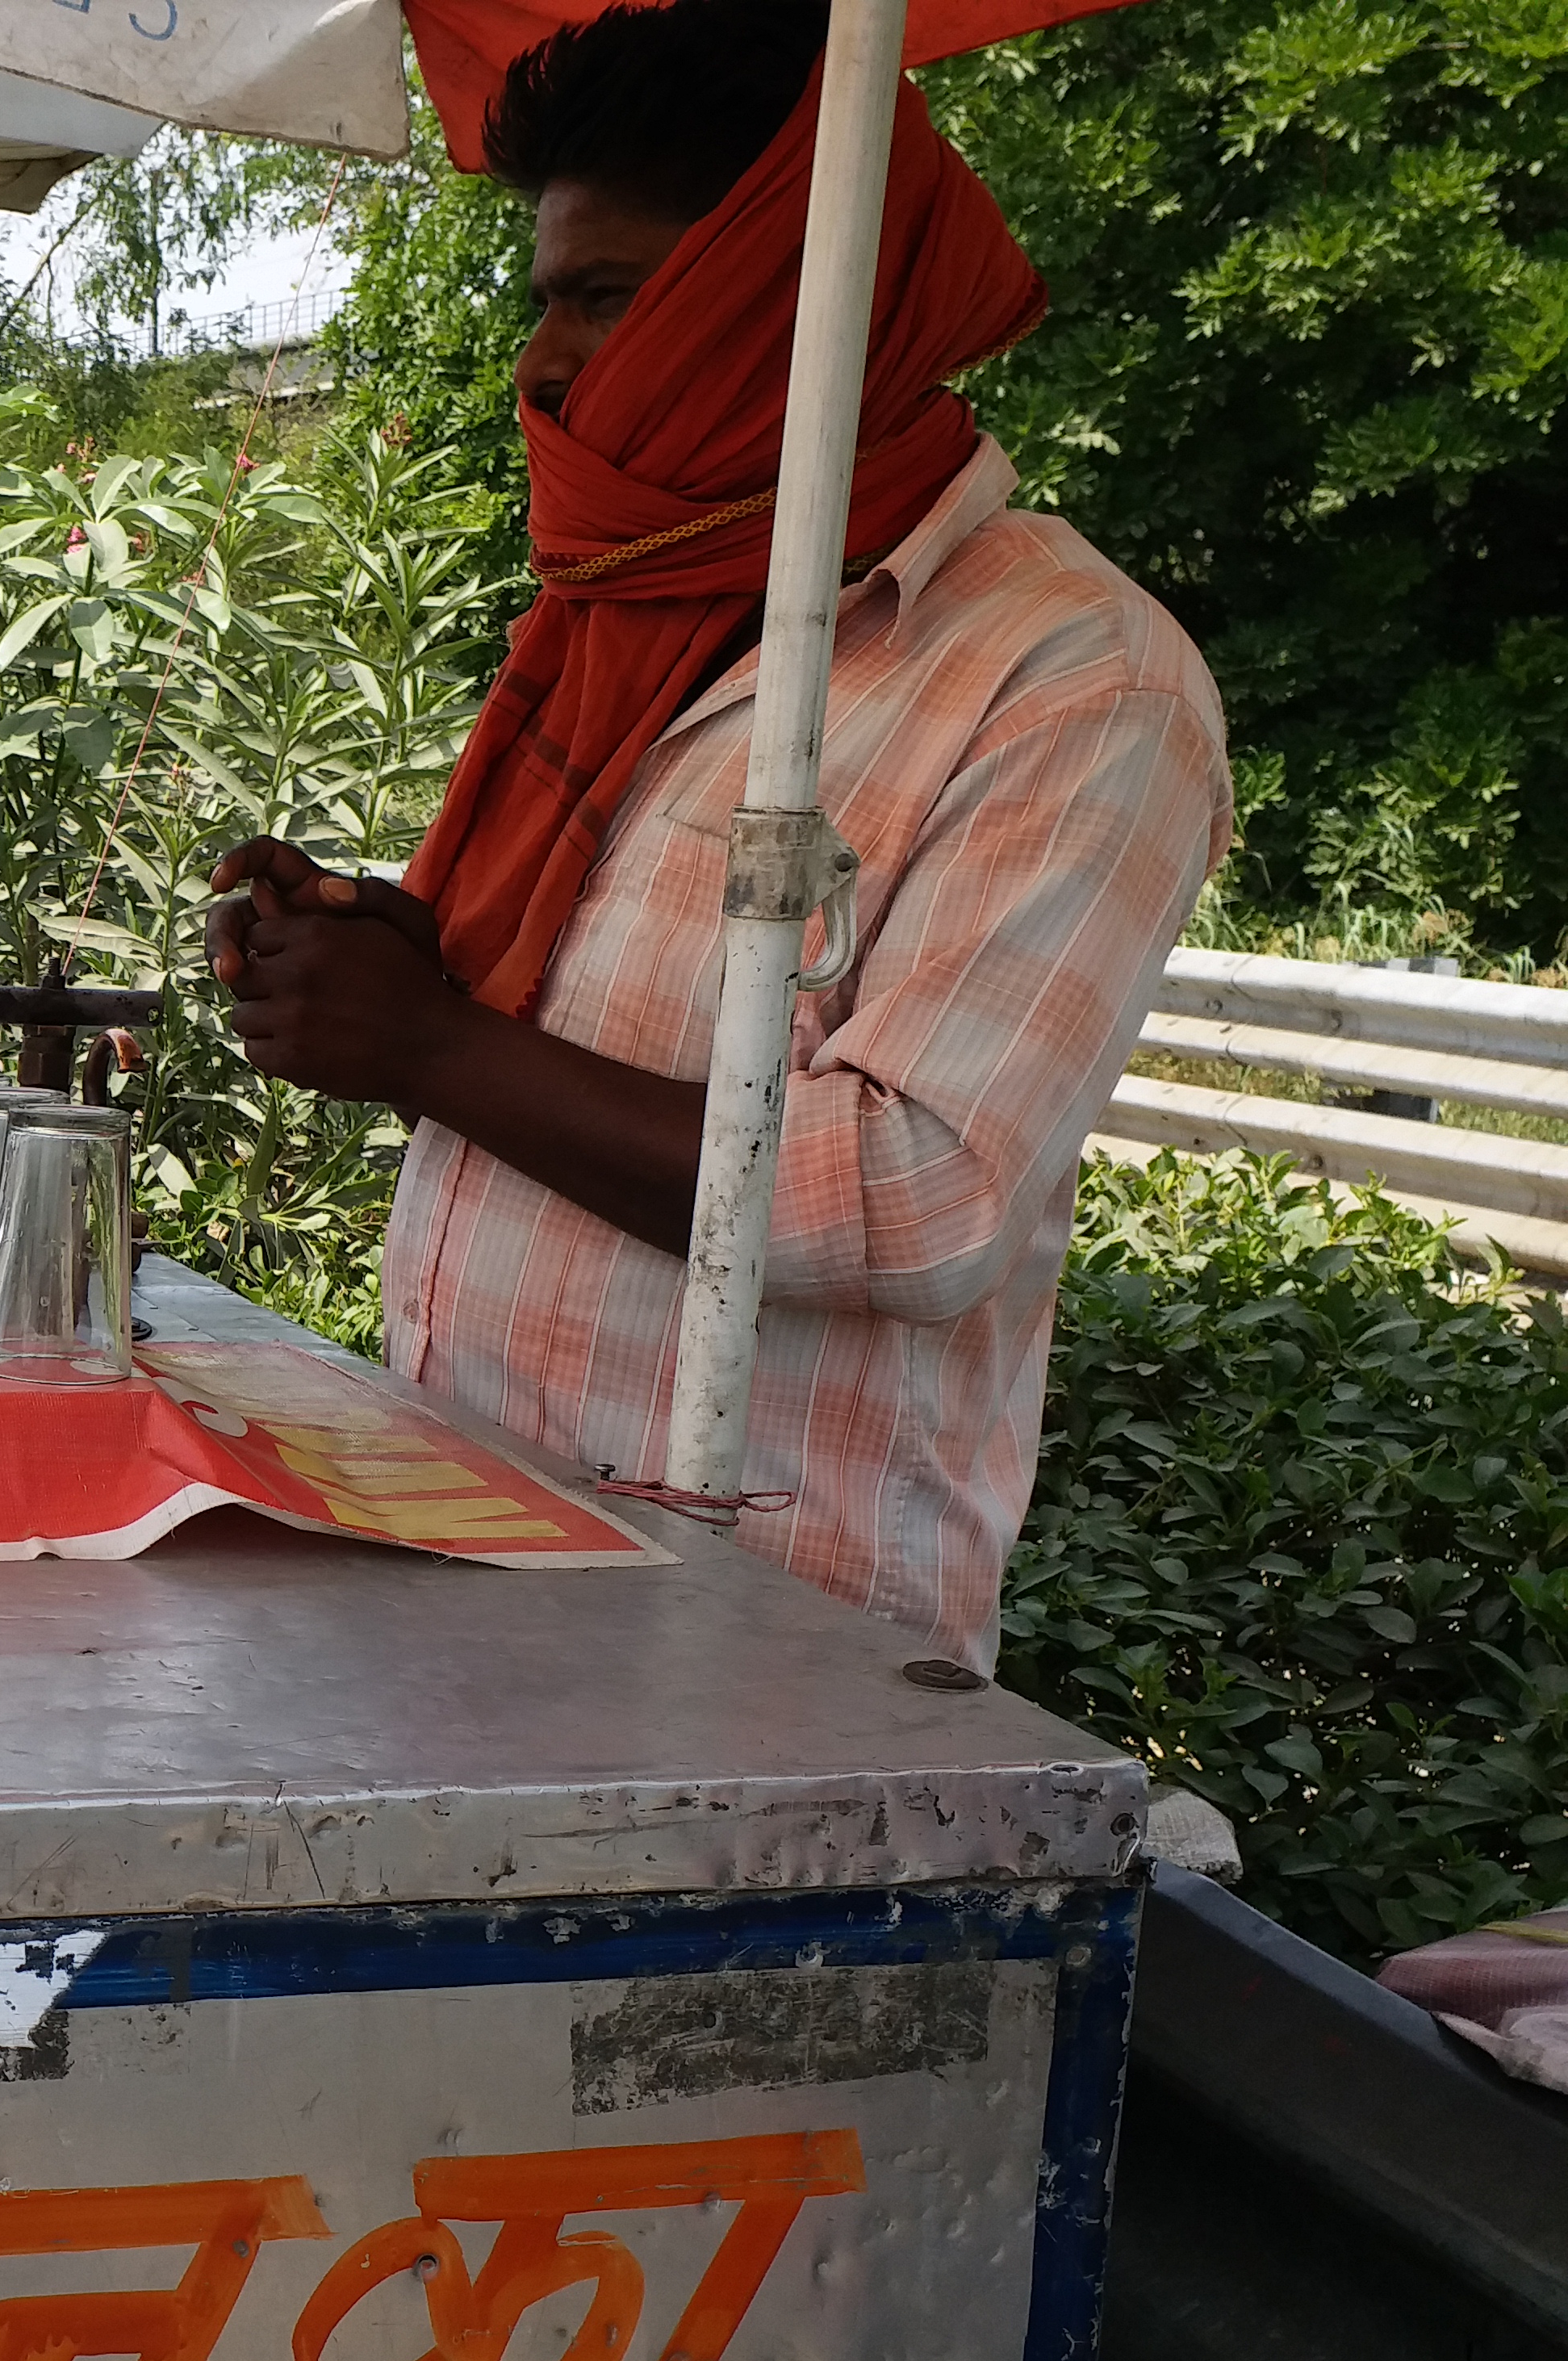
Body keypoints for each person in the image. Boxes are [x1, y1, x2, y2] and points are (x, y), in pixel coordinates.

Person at [206, 0, 1227, 1670]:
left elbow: (920, 1195)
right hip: (471, 1558)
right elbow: (590, 1025)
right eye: (544, 299)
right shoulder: (659, 610)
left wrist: (434, 1048)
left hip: (764, 1652)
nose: (540, 363)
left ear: (786, 302)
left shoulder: (1076, 675)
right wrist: (406, 961)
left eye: (605, 297)